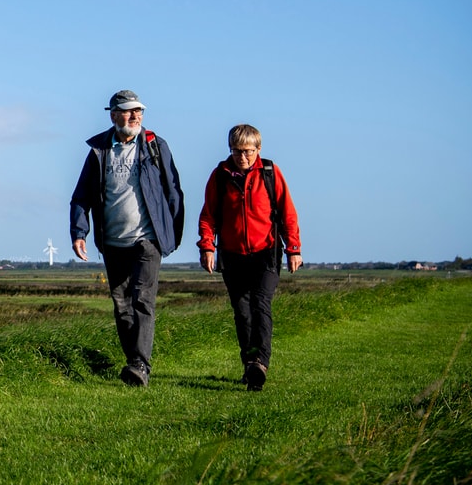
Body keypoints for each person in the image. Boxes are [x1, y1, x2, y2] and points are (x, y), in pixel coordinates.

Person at [70, 90, 184, 386]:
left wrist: (169, 234)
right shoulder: (98, 150)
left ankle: (139, 365)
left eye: (139, 112)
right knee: (121, 304)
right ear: (113, 115)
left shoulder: (154, 146)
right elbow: (81, 196)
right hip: (112, 241)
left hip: (147, 240)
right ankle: (133, 359)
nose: (135, 117)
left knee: (142, 300)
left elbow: (173, 192)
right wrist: (79, 232)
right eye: (128, 111)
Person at [197, 124, 302, 392]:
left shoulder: (270, 173)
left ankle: (260, 363)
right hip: (232, 255)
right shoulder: (220, 176)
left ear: (258, 149)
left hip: (266, 253)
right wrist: (207, 246)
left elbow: (288, 213)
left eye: (247, 151)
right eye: (236, 151)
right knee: (242, 313)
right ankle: (249, 364)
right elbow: (208, 215)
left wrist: (294, 249)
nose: (242, 157)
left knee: (260, 305)